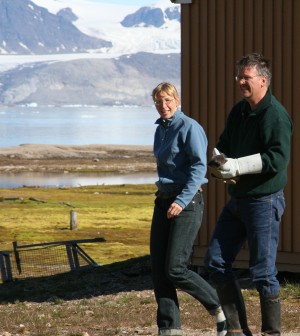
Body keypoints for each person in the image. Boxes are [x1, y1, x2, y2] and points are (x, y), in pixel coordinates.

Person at [204, 53, 293, 336]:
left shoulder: (275, 115)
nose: (241, 82)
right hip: (239, 200)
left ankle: (271, 333)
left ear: (263, 80)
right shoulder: (239, 111)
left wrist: (238, 166)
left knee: (263, 273)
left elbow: (278, 159)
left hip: (265, 201)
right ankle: (236, 330)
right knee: (216, 263)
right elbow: (223, 144)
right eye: (239, 77)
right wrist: (218, 162)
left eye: (247, 77)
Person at [150, 82, 227, 336]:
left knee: (175, 268)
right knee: (159, 270)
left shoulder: (190, 127)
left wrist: (181, 201)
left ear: (177, 100)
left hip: (187, 201)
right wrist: (166, 198)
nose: (164, 106)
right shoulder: (160, 130)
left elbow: (198, 168)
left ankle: (218, 306)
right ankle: (169, 329)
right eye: (159, 102)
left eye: (168, 100)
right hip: (162, 201)